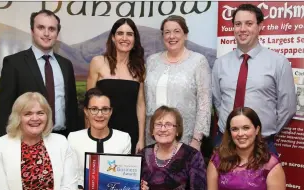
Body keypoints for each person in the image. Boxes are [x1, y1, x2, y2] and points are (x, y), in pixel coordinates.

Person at [212, 4, 296, 153]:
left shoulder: (278, 62)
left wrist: (265, 132)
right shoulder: (220, 63)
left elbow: (287, 107)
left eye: (249, 23)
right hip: (225, 141)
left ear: (260, 26)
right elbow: (218, 102)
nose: (242, 29)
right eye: (238, 24)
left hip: (261, 143)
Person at [0, 9, 80, 138]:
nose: (46, 33)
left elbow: (72, 108)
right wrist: (3, 143)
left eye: (52, 29)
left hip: (63, 138)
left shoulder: (66, 65)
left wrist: (75, 138)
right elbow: (5, 109)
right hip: (27, 140)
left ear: (57, 34)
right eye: (41, 27)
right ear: (32, 31)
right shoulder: (14, 63)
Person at [200, 107, 286, 190]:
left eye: (246, 128)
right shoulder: (218, 158)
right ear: (230, 133)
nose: (240, 134)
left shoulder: (271, 165)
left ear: (257, 130)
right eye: (235, 129)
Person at [67, 88, 131, 190]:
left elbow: (124, 177)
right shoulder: (74, 138)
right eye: (94, 109)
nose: (100, 114)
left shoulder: (123, 138)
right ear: (86, 111)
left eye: (105, 109)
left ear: (111, 111)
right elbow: (70, 176)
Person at [145, 15, 211, 151]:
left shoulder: (198, 61)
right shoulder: (152, 61)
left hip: (185, 139)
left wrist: (197, 140)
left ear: (185, 35)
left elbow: (204, 102)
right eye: (167, 32)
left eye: (177, 31)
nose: (171, 36)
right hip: (153, 138)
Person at [140, 106, 207, 190]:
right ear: (152, 130)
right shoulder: (143, 154)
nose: (163, 129)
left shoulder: (192, 155)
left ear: (177, 130)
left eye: (169, 124)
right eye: (158, 124)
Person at [87, 18, 146, 154]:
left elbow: (140, 105)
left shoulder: (139, 68)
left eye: (129, 34)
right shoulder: (98, 62)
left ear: (135, 39)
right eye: (120, 33)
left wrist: (141, 138)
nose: (124, 38)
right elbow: (89, 104)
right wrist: (89, 136)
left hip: (131, 133)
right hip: (102, 132)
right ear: (113, 37)